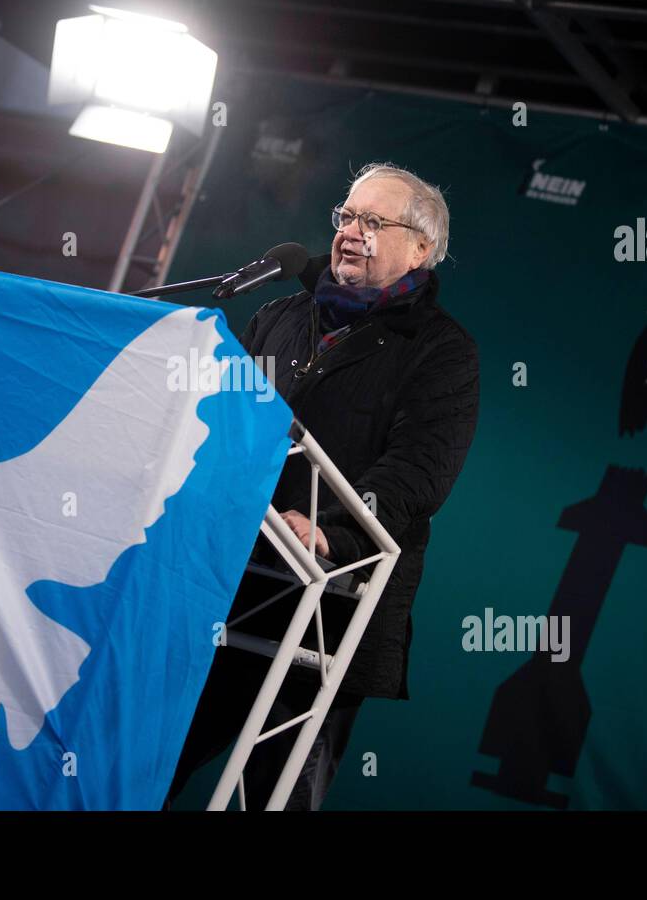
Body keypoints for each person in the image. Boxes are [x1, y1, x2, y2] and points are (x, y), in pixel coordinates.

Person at [165, 162, 481, 810]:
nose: (351, 232)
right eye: (346, 216)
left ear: (422, 247)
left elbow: (416, 474)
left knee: (269, 795)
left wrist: (332, 532)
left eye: (374, 221)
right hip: (226, 587)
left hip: (324, 616)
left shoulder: (442, 353)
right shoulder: (281, 314)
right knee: (143, 764)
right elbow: (219, 429)